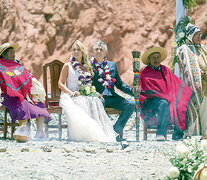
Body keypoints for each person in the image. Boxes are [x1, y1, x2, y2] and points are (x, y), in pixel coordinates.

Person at [58, 40, 116, 142]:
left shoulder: (87, 67)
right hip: (71, 95)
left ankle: (97, 132)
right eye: (74, 50)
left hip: (84, 94)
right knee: (82, 102)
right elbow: (60, 84)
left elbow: (88, 84)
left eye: (78, 50)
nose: (76, 52)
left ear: (83, 52)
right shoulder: (67, 66)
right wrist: (71, 93)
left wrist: (94, 92)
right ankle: (85, 134)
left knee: (96, 100)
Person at [0, 42, 51, 140]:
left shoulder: (17, 63)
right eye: (10, 52)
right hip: (8, 93)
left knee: (38, 102)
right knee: (21, 103)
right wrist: (14, 88)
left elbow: (26, 74)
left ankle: (40, 132)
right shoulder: (1, 65)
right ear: (4, 54)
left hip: (23, 92)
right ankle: (23, 129)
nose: (13, 54)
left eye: (13, 52)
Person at [140, 47, 192, 141]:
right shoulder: (145, 72)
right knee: (163, 103)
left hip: (166, 97)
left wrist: (185, 91)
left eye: (158, 57)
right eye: (153, 58)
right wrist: (165, 96)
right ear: (149, 60)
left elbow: (175, 83)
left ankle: (177, 134)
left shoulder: (165, 69)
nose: (156, 60)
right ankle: (160, 134)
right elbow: (147, 90)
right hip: (150, 100)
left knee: (181, 102)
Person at [91, 40, 135, 141]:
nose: (98, 51)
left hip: (112, 97)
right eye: (96, 49)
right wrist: (94, 93)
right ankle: (102, 133)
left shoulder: (112, 65)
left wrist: (132, 91)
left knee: (131, 104)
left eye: (101, 49)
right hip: (97, 97)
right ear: (93, 52)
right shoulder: (89, 66)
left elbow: (119, 84)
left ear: (105, 52)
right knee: (100, 102)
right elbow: (87, 84)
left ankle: (115, 130)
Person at [177, 23, 207, 136]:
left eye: (200, 35)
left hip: (205, 85)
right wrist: (201, 74)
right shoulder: (184, 49)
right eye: (196, 35)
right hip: (193, 86)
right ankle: (191, 135)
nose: (199, 37)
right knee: (193, 110)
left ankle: (204, 134)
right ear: (190, 36)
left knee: (205, 110)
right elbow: (187, 68)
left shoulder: (203, 49)